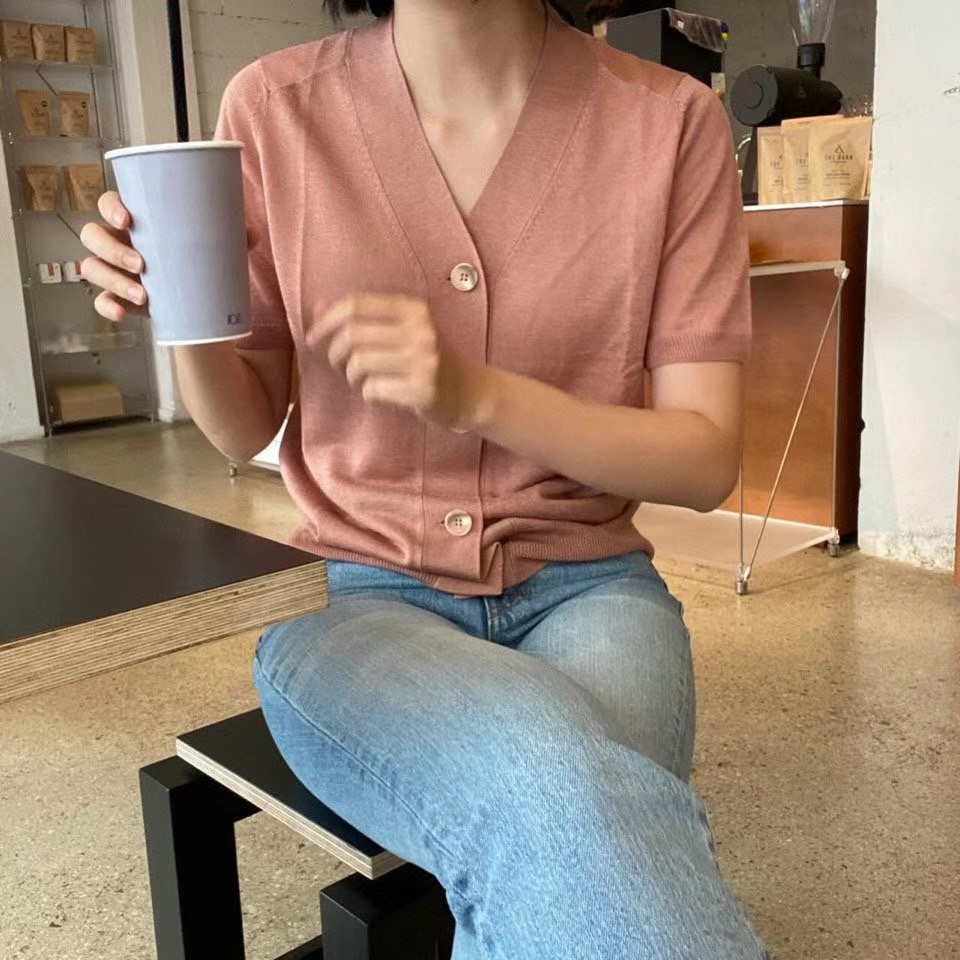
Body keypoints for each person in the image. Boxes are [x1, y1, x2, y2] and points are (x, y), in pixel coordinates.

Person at [81, 0, 770, 956]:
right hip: (355, 601)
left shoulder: (669, 122)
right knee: (564, 797)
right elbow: (245, 425)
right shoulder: (274, 108)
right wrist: (178, 303)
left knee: (565, 826)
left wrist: (474, 394)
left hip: (593, 588)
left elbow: (704, 457)